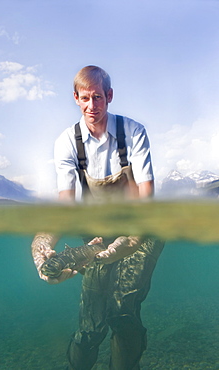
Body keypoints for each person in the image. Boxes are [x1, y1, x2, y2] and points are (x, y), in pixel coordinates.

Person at [31, 66, 164, 370]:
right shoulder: (66, 141)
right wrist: (42, 254)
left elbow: (147, 201)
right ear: (76, 98)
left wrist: (127, 242)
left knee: (121, 311)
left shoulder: (133, 132)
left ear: (110, 96)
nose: (93, 106)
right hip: (98, 236)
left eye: (99, 97)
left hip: (141, 229)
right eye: (86, 98)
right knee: (90, 325)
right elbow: (65, 207)